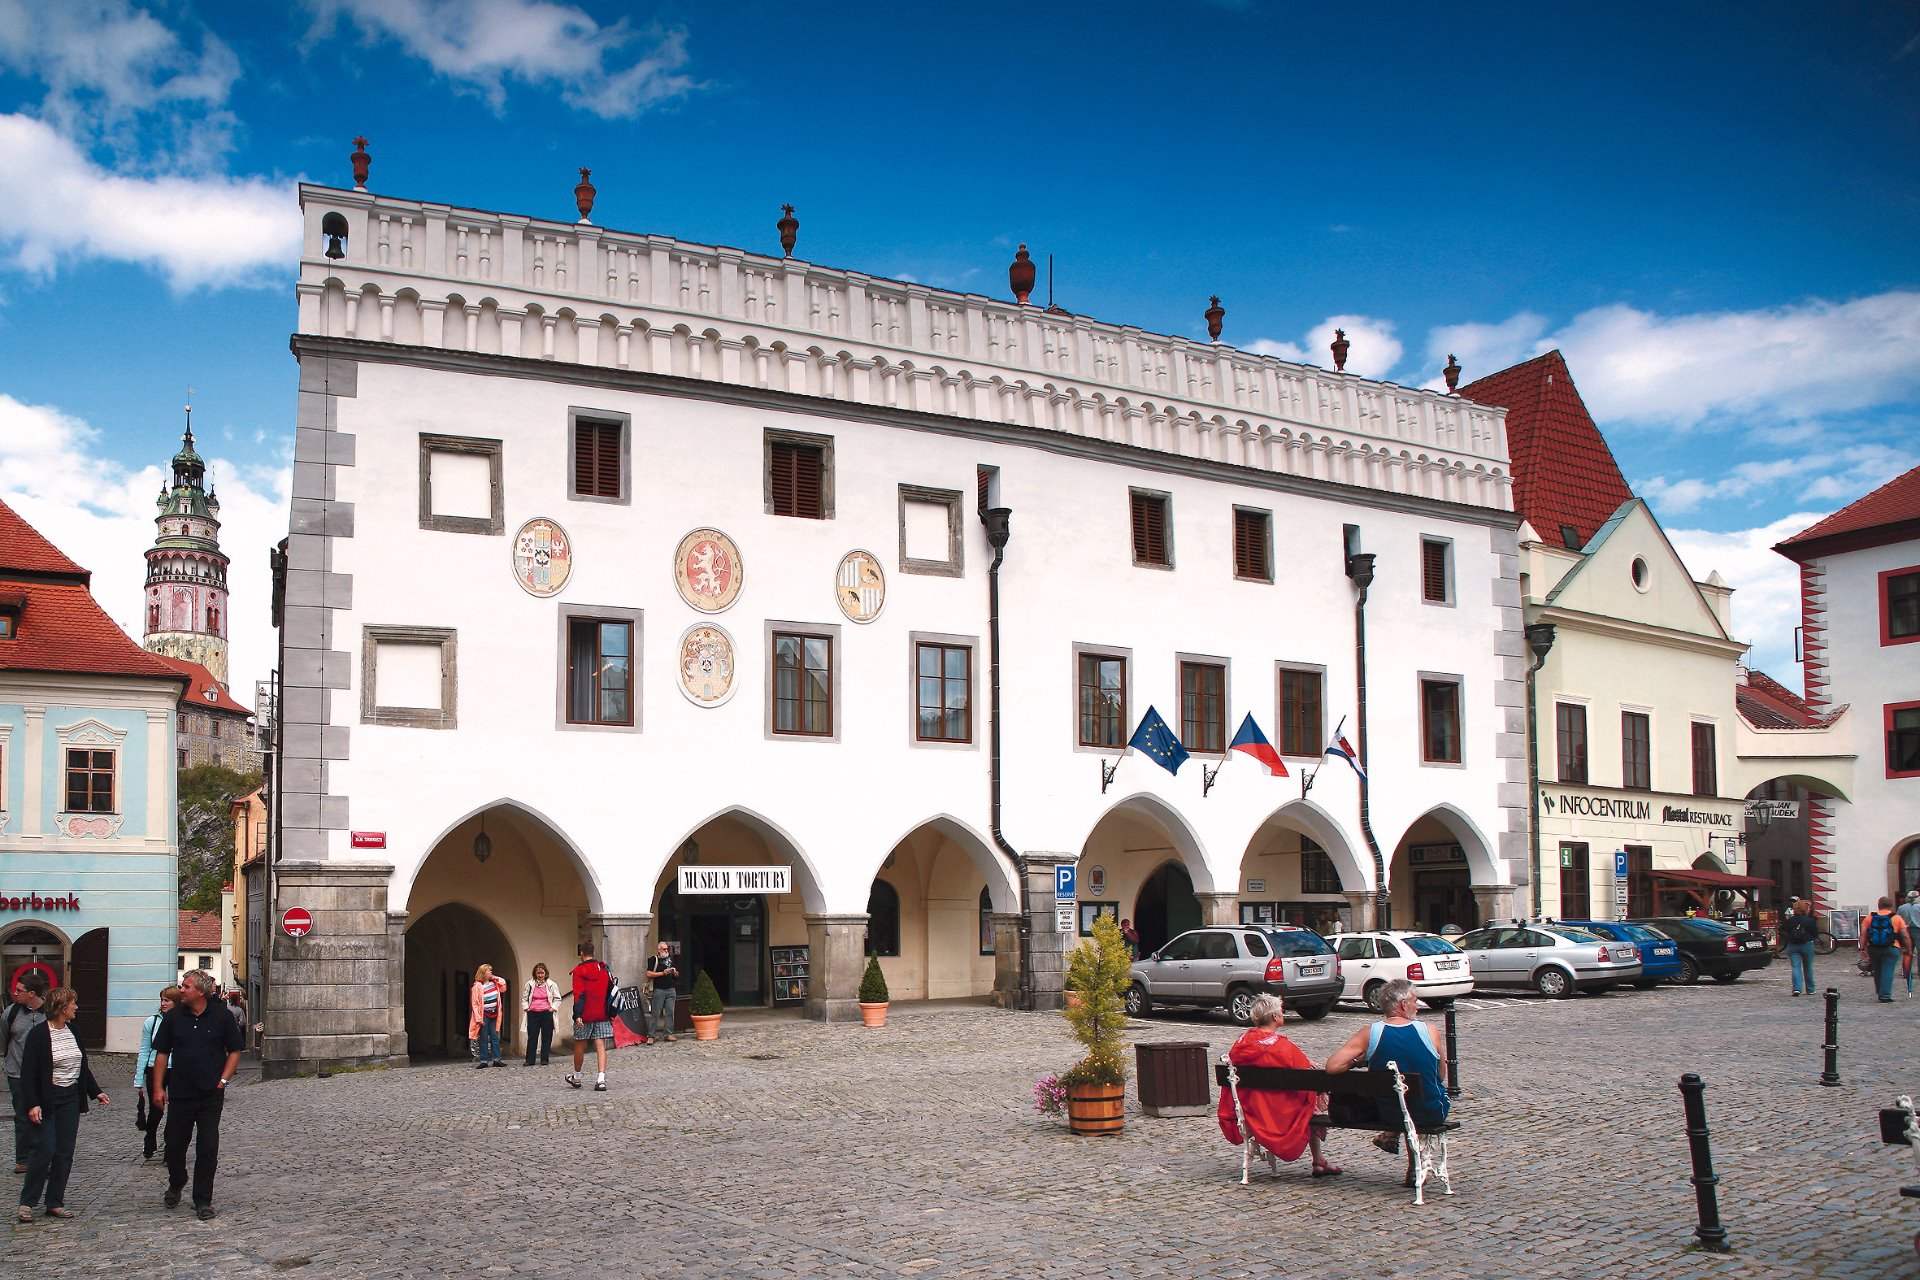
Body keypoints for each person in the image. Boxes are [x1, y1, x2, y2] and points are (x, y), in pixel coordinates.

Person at [1326, 977, 1449, 1177]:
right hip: (1430, 1111)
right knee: (1414, 1099)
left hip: (1390, 1113)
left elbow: (1332, 1066)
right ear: (1404, 1004)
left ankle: (1393, 1137)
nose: (1417, 1007)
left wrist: (1359, 1061)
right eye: (1415, 1001)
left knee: (1399, 1100)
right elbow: (1441, 1075)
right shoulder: (1429, 1030)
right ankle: (1414, 1167)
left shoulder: (1370, 1033)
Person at [151, 969, 243, 1221]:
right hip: (180, 1092)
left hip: (210, 1094)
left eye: (186, 986)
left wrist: (224, 1080)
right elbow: (161, 1053)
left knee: (207, 1147)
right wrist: (158, 1087)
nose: (181, 989)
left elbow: (235, 1051)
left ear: (200, 991)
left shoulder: (221, 1016)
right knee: (175, 1145)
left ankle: (203, 1199)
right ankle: (177, 1180)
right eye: (182, 986)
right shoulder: (174, 1018)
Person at [1214, 993, 1339, 1176]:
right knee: (1312, 1100)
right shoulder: (1281, 1047)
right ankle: (1318, 1159)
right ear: (1274, 1017)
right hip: (1276, 1110)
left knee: (1309, 1095)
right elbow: (1308, 1074)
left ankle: (1318, 1160)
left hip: (1250, 1107)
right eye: (1281, 1011)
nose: (1283, 1013)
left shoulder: (1242, 1041)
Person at [16, 987, 109, 1222]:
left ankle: (54, 1201)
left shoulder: (73, 1031)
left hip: (69, 1098)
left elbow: (82, 1066)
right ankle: (27, 1202)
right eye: (73, 1004)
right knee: (44, 1149)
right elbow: (28, 1073)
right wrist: (32, 1104)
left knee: (64, 1152)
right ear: (61, 1007)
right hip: (47, 1099)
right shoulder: (38, 1035)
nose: (76, 1008)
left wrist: (95, 1092)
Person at [4, 972, 49, 1176]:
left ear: (32, 993)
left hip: (44, 1075)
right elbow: (4, 1038)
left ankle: (44, 1157)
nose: (15, 993)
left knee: (45, 1115)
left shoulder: (50, 1012)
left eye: (19, 991)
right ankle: (23, 1159)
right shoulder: (11, 1013)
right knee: (22, 1116)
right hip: (18, 1073)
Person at [133, 986, 180, 1161]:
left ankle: (170, 1145)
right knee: (156, 1108)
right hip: (155, 1069)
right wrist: (139, 1078)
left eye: (167, 1000)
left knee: (175, 1110)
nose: (163, 1003)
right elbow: (144, 1050)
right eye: (161, 1000)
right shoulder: (151, 1022)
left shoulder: (183, 1021)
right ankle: (150, 1136)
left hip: (176, 1069)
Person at [567, 940, 614, 1091]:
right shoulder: (604, 969)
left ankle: (577, 1077)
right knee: (600, 1045)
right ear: (593, 953)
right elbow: (610, 989)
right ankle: (601, 1079)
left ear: (581, 954)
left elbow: (578, 994)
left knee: (580, 1044)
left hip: (585, 1013)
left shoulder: (578, 971)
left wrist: (577, 1014)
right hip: (601, 1012)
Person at [1862, 897, 1910, 1003]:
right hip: (1892, 947)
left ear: (1879, 905)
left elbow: (1863, 934)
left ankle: (1880, 991)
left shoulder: (1870, 917)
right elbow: (1905, 935)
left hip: (1873, 948)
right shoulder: (1896, 918)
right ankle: (1885, 995)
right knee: (1888, 970)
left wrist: (1862, 948)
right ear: (1891, 906)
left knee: (1877, 970)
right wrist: (1908, 948)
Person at [1779, 899, 1819, 997]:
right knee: (1808, 967)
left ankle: (1797, 988)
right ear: (1806, 909)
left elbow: (1784, 930)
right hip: (1807, 945)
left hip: (1793, 945)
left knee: (1795, 967)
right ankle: (1810, 989)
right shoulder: (1810, 920)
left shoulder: (1791, 920)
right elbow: (1815, 933)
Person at [523, 963, 560, 1067]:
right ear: (535, 973)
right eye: (538, 973)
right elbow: (525, 998)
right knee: (532, 1037)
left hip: (546, 1013)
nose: (540, 975)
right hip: (533, 1013)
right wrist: (527, 1008)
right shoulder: (530, 984)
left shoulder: (551, 984)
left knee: (547, 1036)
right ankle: (530, 1059)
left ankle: (544, 1058)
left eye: (542, 973)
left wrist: (552, 1008)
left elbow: (557, 998)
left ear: (545, 973)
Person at [470, 963, 505, 1068]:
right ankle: (484, 1060)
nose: (491, 972)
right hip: (484, 1014)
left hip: (494, 1013)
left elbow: (503, 986)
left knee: (494, 1037)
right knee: (484, 1038)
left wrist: (495, 977)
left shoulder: (494, 983)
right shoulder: (477, 986)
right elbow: (475, 1004)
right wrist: (478, 1018)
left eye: (491, 971)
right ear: (483, 973)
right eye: (488, 971)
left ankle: (496, 1059)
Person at [646, 942, 680, 1044]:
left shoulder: (670, 960)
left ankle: (668, 1034)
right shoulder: (654, 959)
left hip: (671, 989)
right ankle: (651, 1035)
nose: (666, 951)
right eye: (664, 949)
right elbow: (648, 973)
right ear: (659, 950)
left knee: (670, 1012)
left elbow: (677, 975)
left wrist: (674, 972)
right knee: (655, 1013)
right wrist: (662, 973)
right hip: (659, 989)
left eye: (667, 949)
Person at [1899, 891, 1920, 997]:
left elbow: (1898, 919)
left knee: (1907, 952)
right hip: (1918, 930)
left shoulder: (1901, 908)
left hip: (1905, 931)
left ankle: (1907, 971)